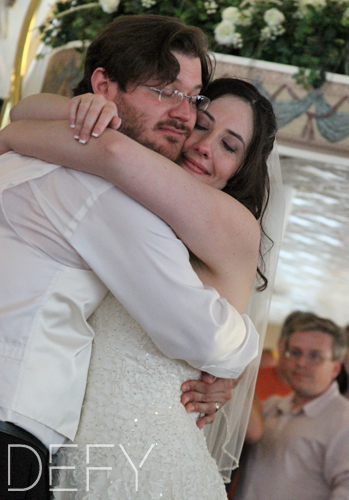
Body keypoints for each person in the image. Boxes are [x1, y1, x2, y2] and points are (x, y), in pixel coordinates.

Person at [0, 17, 283, 498]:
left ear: (243, 168)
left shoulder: (229, 223)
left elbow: (82, 142)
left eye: (191, 99)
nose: (190, 127)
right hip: (28, 423)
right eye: (166, 93)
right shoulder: (104, 188)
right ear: (105, 87)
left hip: (139, 460)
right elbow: (106, 150)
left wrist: (235, 364)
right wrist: (236, 357)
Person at [233, 312, 349, 500]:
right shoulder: (273, 406)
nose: (301, 363)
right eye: (295, 352)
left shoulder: (343, 419)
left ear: (336, 367)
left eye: (315, 356)